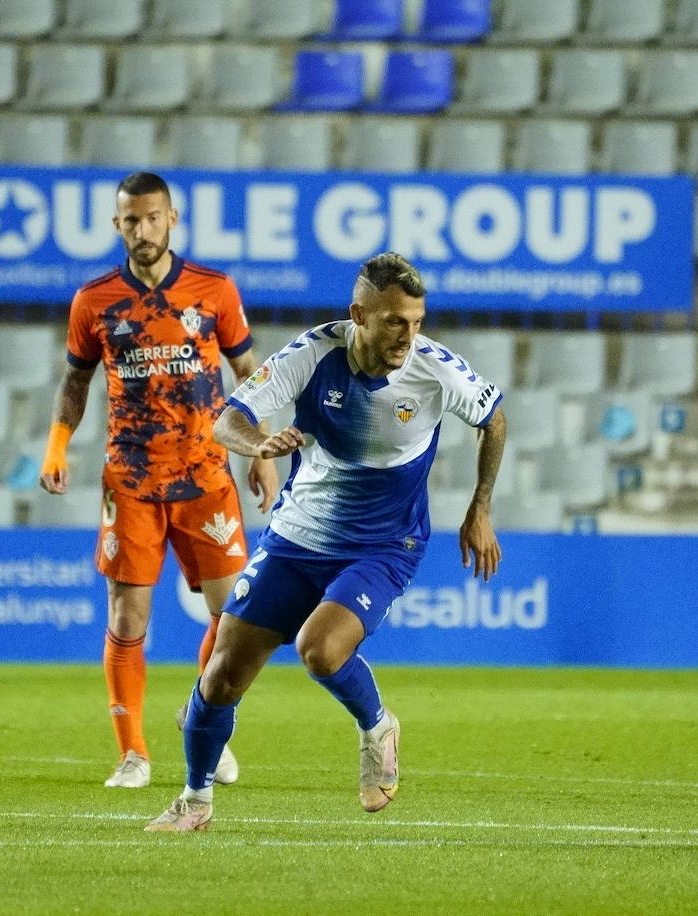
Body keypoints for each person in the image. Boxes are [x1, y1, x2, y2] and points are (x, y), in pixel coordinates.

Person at [144, 251, 506, 832]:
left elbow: (495, 419)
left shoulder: (437, 369)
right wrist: (259, 444)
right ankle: (194, 799)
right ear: (358, 313)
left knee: (320, 648)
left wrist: (480, 508)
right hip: (296, 536)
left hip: (384, 545)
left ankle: (377, 727)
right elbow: (226, 420)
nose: (408, 336)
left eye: (416, 322)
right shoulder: (313, 354)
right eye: (394, 321)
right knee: (218, 679)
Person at [39, 171, 278, 789]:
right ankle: (133, 754)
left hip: (207, 474)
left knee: (236, 621)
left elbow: (249, 370)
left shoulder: (214, 289)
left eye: (151, 218)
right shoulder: (93, 301)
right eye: (130, 220)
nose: (141, 230)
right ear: (116, 224)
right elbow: (75, 382)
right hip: (133, 480)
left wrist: (259, 450)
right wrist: (57, 445)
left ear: (172, 218)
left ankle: (202, 720)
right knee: (127, 620)